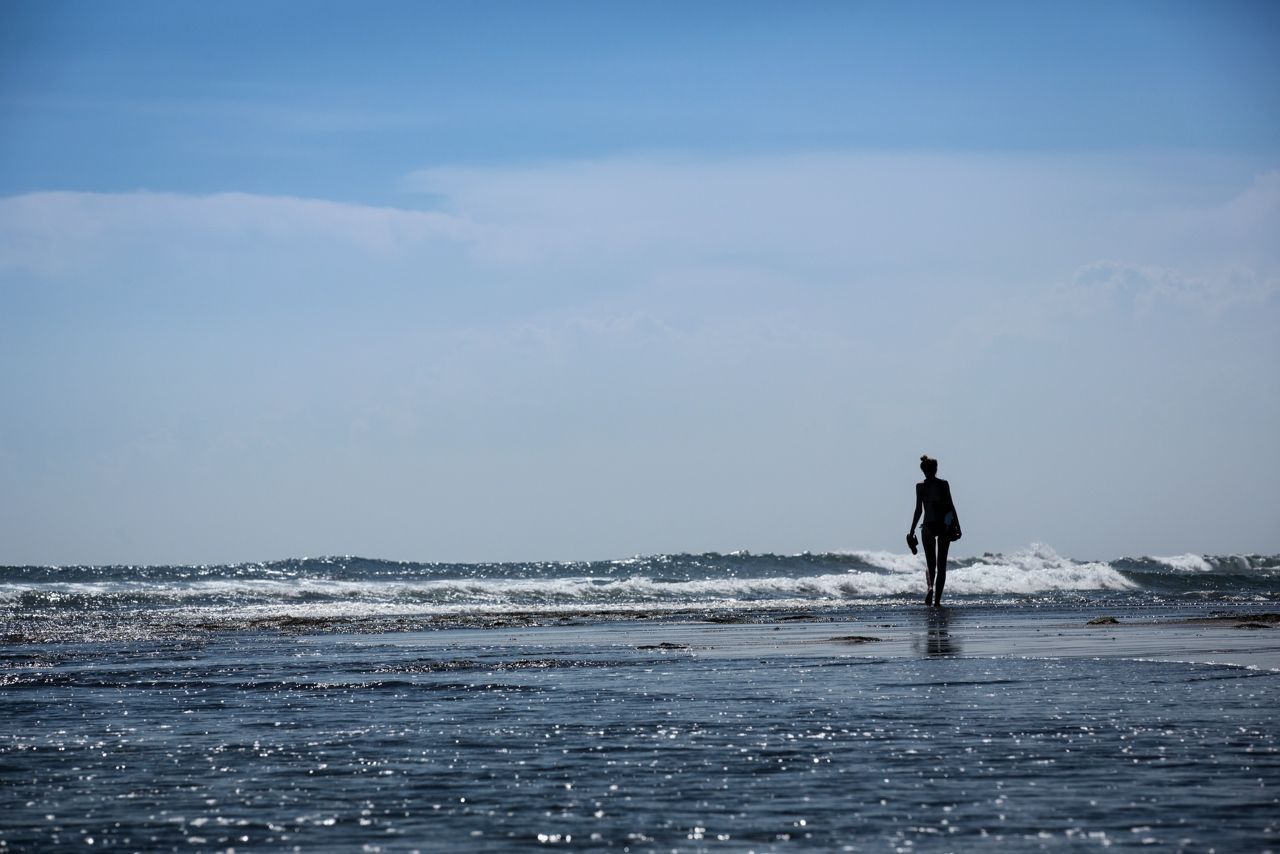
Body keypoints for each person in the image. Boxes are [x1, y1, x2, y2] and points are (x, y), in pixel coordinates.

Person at [908, 455, 960, 607]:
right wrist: (958, 526)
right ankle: (937, 602)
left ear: (923, 471)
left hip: (928, 526)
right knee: (941, 565)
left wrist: (912, 530)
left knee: (930, 564)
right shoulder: (943, 484)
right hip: (944, 526)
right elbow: (950, 505)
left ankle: (930, 587)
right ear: (936, 469)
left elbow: (918, 510)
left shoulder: (920, 487)